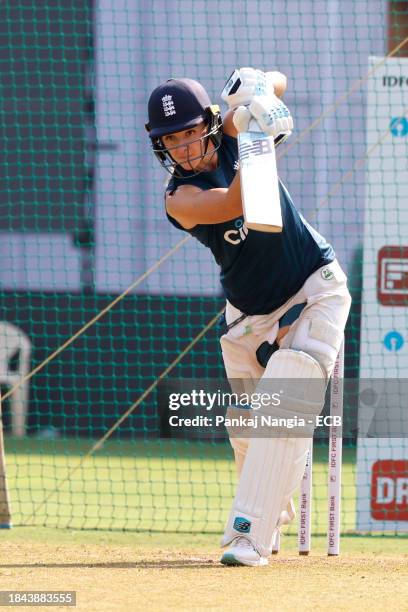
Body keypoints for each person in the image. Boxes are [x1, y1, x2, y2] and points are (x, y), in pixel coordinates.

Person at [146, 69, 351, 566]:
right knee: (247, 429)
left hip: (313, 287)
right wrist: (259, 136)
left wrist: (258, 100)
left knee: (288, 388)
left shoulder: (235, 129)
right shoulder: (181, 199)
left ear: (209, 125)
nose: (184, 147)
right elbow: (240, 201)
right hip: (246, 318)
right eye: (170, 139)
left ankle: (248, 537)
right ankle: (271, 516)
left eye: (191, 131)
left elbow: (276, 81)